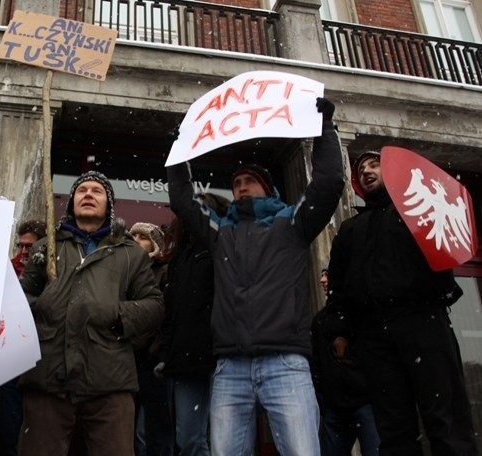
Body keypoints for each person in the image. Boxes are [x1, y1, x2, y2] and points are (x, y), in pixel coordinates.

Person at [166, 97, 344, 456]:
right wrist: (178, 150)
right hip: (230, 366)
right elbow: (183, 201)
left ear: (268, 188)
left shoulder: (292, 223)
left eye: (249, 181)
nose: (241, 187)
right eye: (236, 183)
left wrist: (326, 130)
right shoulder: (220, 233)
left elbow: (328, 183)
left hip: (286, 363)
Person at [325, 150, 478, 456]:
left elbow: (448, 244)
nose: (367, 171)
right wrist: (340, 331)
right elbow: (339, 289)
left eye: (374, 164)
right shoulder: (350, 229)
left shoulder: (419, 213)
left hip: (423, 320)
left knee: (446, 418)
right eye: (361, 169)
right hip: (374, 333)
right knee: (393, 427)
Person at [18, 170, 164, 456]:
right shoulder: (45, 247)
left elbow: (154, 304)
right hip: (49, 376)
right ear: (71, 202)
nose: (88, 195)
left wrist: (115, 314)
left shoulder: (130, 253)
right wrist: (45, 307)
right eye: (81, 191)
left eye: (96, 191)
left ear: (108, 205)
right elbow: (21, 299)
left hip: (109, 378)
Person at [155, 192, 229, 456]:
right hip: (185, 362)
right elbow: (170, 312)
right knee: (187, 439)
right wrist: (165, 353)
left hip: (221, 357)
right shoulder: (178, 259)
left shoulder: (223, 248)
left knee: (227, 439)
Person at [310, 265, 380, 456]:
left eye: (327, 275)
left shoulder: (362, 313)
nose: (323, 281)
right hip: (335, 410)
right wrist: (324, 404)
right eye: (322, 275)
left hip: (365, 404)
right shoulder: (319, 322)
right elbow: (315, 364)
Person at [0, 219, 47, 456]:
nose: (24, 252)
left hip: (44, 362)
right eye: (21, 246)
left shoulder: (53, 274)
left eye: (30, 247)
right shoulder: (4, 272)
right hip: (11, 360)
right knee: (7, 427)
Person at [128, 222, 173, 456]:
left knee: (154, 432)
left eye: (142, 237)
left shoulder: (164, 273)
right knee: (127, 432)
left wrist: (156, 350)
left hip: (152, 364)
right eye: (133, 235)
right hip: (125, 362)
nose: (135, 239)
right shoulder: (121, 274)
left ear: (155, 244)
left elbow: (166, 318)